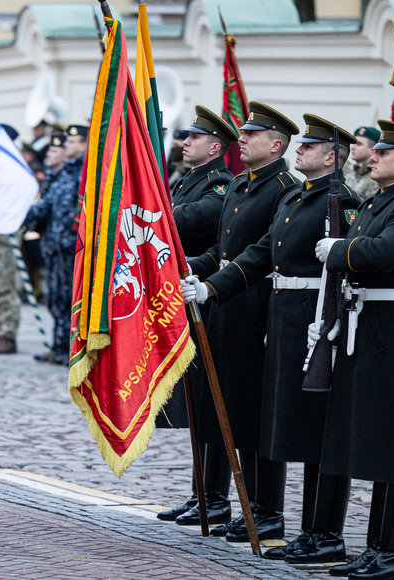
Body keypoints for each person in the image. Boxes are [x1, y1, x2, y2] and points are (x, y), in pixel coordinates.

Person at [185, 115, 361, 563]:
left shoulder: (339, 199)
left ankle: (315, 528)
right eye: (300, 146)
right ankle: (276, 514)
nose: (301, 151)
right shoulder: (298, 197)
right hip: (281, 315)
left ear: (331, 156)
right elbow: (260, 252)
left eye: (310, 146)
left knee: (308, 427)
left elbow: (349, 267)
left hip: (311, 321)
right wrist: (210, 284)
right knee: (275, 415)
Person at [312, 120, 394, 579]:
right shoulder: (376, 203)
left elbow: (385, 252)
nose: (373, 157)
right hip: (366, 331)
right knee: (378, 445)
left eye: (384, 153)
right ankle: (374, 548)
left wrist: (341, 250)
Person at [186, 101, 300, 543]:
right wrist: (192, 270)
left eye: (251, 135)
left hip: (258, 309)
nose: (243, 139)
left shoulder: (283, 188)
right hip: (225, 306)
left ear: (276, 145)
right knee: (224, 404)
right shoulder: (240, 186)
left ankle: (264, 507)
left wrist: (216, 283)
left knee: (254, 412)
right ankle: (221, 497)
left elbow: (266, 253)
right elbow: (224, 250)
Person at [157, 106, 236, 527]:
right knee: (195, 401)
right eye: (184, 136)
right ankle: (200, 494)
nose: (184, 142)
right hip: (182, 293)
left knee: (210, 398)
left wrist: (149, 213)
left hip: (207, 297)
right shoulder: (189, 179)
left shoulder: (221, 184)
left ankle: (216, 497)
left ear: (215, 146)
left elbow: (190, 219)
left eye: (193, 137)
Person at [26, 125, 86, 364]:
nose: (68, 146)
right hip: (55, 246)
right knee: (56, 299)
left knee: (70, 298)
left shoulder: (82, 175)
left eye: (73, 143)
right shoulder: (64, 174)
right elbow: (45, 207)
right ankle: (59, 345)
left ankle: (71, 348)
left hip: (72, 247)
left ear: (84, 144)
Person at [343, 125, 380, 200]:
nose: (352, 147)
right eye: (353, 143)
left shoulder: (376, 175)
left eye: (359, 144)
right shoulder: (351, 170)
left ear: (373, 149)